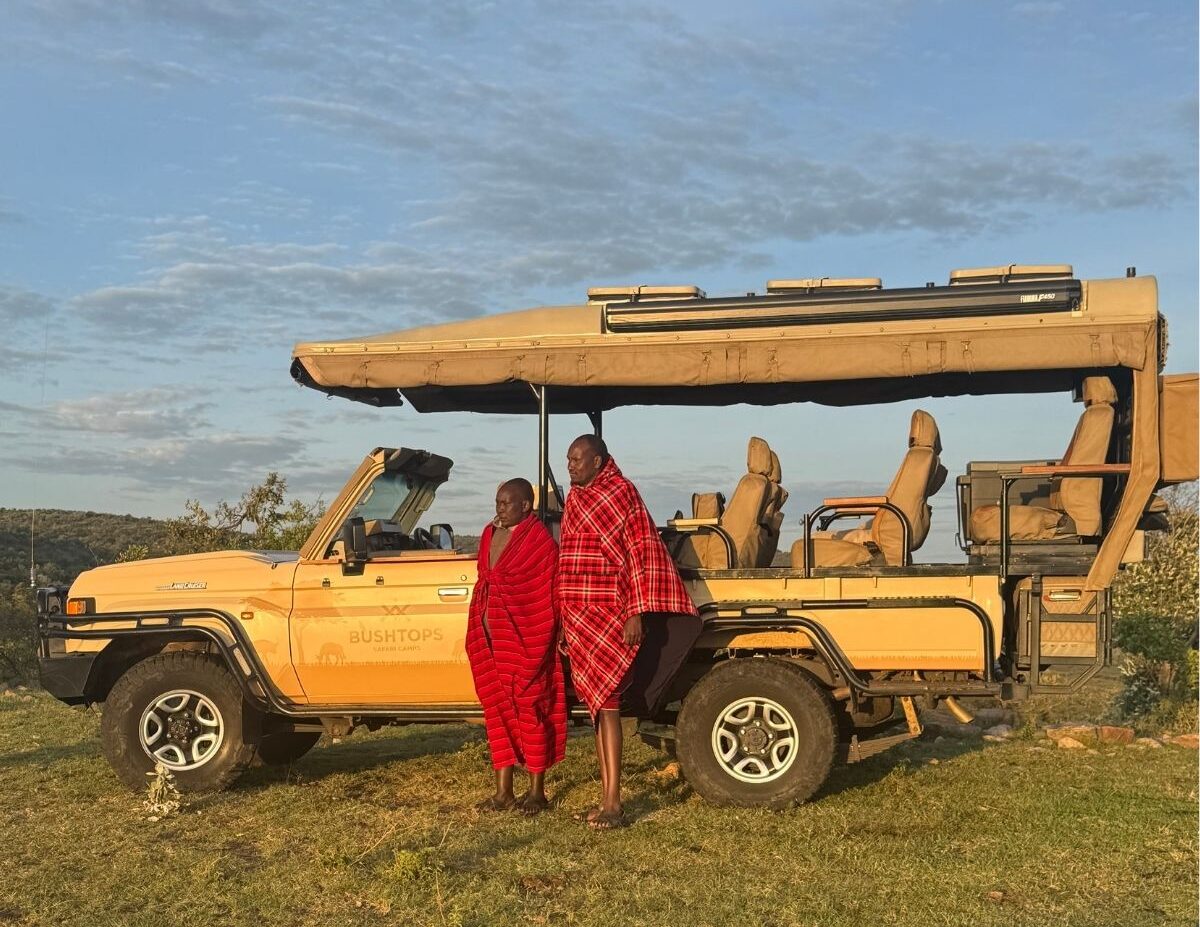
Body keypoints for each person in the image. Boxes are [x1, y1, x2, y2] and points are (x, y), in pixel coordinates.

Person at [557, 434, 701, 830]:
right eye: (568, 459)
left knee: (610, 708)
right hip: (579, 614)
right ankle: (606, 797)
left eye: (577, 460)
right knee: (598, 709)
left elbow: (639, 552)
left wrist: (635, 612)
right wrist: (565, 622)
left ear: (599, 461)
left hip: (610, 612)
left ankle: (614, 803)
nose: (570, 466)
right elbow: (568, 557)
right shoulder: (575, 498)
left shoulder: (621, 493)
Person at [465, 478, 566, 815]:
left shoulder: (540, 543)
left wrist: (555, 632)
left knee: (531, 710)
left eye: (506, 503)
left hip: (527, 639)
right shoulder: (488, 535)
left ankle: (537, 792)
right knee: (496, 711)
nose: (499, 509)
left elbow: (550, 592)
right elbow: (486, 580)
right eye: (497, 502)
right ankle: (503, 792)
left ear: (526, 506)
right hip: (489, 638)